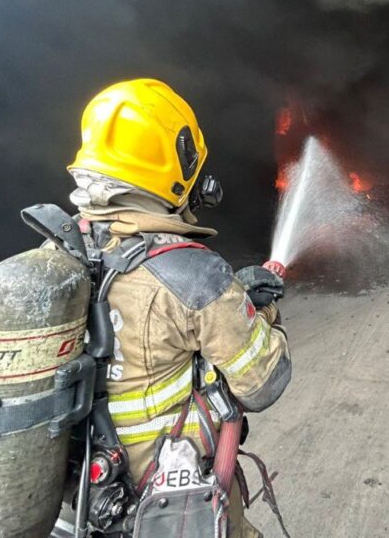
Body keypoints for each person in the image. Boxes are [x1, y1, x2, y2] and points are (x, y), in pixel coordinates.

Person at [68, 78, 291, 538]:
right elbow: (264, 384)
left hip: (77, 497)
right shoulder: (193, 273)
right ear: (178, 161)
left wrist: (238, 299)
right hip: (165, 501)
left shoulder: (65, 254)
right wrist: (264, 316)